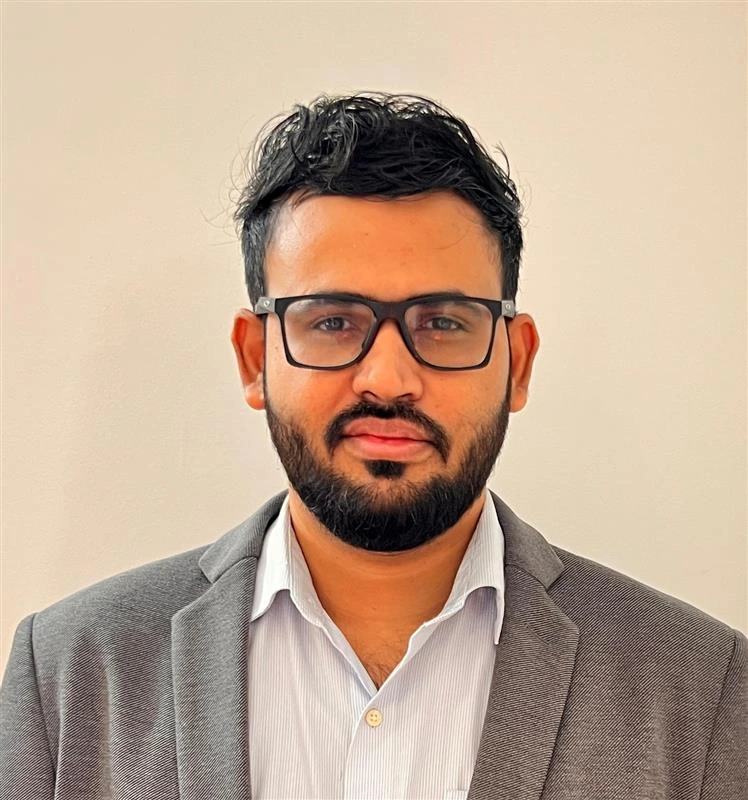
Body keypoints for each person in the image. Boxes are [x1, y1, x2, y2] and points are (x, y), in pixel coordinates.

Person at [1, 92, 745, 800]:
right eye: (332, 321)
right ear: (255, 358)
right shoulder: (68, 677)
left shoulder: (701, 690)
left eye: (444, 323)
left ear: (517, 362)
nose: (388, 378)